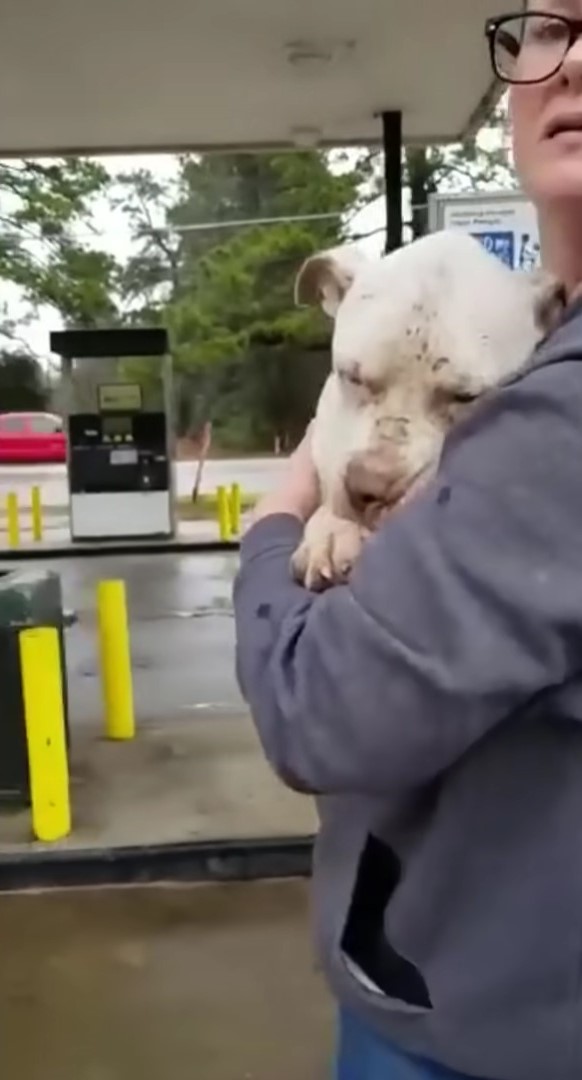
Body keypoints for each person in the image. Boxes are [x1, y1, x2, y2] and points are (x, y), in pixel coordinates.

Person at [233, 6, 582, 1078]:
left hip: (485, 1026)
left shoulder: (559, 414)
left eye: (458, 404)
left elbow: (321, 712)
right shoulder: (538, 345)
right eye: (553, 27)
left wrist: (274, 525)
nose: (382, 466)